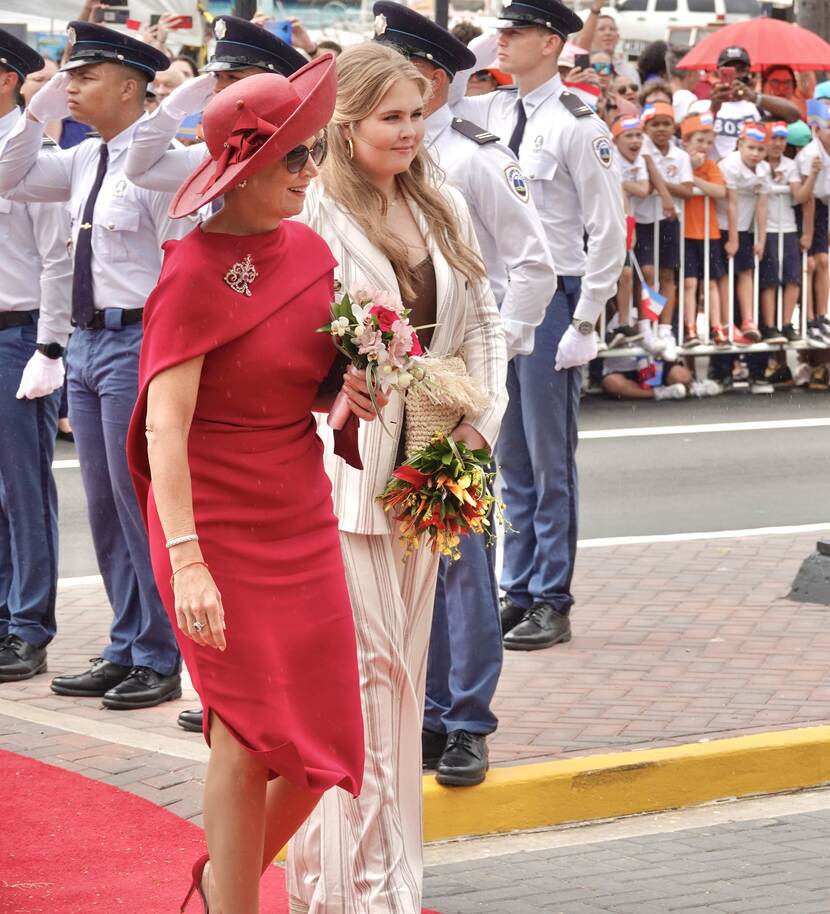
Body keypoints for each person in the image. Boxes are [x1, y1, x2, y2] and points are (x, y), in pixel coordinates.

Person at [126, 59, 367, 914]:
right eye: (295, 159)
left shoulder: (309, 249)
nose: (310, 172)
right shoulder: (190, 272)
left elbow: (308, 380)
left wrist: (348, 390)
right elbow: (166, 428)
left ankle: (218, 879)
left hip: (296, 508)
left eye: (312, 155)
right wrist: (187, 561)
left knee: (330, 743)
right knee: (243, 731)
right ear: (244, 171)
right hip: (213, 522)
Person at [286, 41, 507, 914]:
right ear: (344, 122)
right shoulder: (310, 213)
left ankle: (390, 881)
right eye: (392, 117)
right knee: (366, 683)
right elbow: (289, 337)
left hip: (435, 468)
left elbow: (483, 319)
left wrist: (475, 426)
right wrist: (335, 378)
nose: (411, 131)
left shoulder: (442, 196)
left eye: (419, 113)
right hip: (346, 476)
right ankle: (341, 890)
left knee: (405, 683)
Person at [370, 1, 555, 787]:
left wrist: (486, 369)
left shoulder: (476, 157)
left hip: (458, 381)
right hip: (387, 380)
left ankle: (465, 718)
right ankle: (426, 706)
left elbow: (534, 266)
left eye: (403, 81)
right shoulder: (371, 157)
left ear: (437, 82)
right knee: (401, 551)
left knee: (462, 554)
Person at [122, 14, 308, 734]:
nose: (221, 100)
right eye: (221, 83)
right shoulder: (214, 170)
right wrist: (202, 89)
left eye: (238, 83)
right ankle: (211, 676)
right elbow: (143, 157)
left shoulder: (300, 173)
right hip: (211, 360)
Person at [0, 22, 195, 709]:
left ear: (129, 87)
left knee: (139, 502)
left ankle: (160, 654)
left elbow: (180, 272)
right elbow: (9, 174)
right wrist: (35, 113)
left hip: (137, 339)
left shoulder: (161, 164)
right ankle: (125, 644)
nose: (70, 87)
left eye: (84, 77)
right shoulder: (87, 159)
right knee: (107, 509)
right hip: (87, 343)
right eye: (69, 77)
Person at [451, 0, 626, 651]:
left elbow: (608, 229)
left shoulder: (580, 123)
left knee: (550, 460)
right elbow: (446, 94)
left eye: (515, 32)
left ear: (551, 42)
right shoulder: (494, 109)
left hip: (556, 301)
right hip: (501, 299)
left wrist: (587, 318)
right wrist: (474, 52)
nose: (502, 40)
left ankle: (552, 595)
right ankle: (518, 589)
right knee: (511, 458)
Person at [0, 30, 73, 683]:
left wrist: (50, 346)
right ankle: (3, 615)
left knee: (23, 490)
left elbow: (57, 260)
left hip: (17, 334)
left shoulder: (36, 159)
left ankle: (28, 627)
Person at [124, 15, 308, 194]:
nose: (218, 87)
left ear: (272, 86)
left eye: (233, 77)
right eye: (217, 77)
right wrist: (172, 110)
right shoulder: (217, 154)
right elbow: (140, 172)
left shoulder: (307, 153)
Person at [639, 102, 694, 361]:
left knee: (667, 275)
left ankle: (665, 327)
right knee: (647, 273)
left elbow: (687, 190)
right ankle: (646, 325)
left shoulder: (681, 156)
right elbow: (644, 182)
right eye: (655, 124)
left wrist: (661, 186)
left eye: (666, 123)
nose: (661, 129)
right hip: (643, 220)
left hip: (669, 219)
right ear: (646, 127)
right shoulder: (640, 149)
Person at [717, 122, 771, 344]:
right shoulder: (729, 165)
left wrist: (761, 239)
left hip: (745, 228)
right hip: (722, 227)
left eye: (760, 149)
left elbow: (762, 205)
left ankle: (748, 320)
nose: (755, 154)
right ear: (739, 144)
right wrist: (733, 238)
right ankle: (727, 323)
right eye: (751, 148)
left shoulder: (764, 169)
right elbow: (731, 203)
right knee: (724, 276)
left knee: (746, 272)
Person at [678, 113, 728, 348]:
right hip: (685, 232)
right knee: (689, 283)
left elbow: (720, 192)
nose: (705, 147)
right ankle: (690, 328)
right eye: (700, 141)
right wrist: (688, 170)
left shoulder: (711, 166)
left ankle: (717, 327)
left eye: (709, 142)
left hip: (709, 233)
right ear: (685, 141)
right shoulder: (679, 161)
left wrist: (695, 181)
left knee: (711, 283)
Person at [706, 46, 799, 161]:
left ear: (749, 72)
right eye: (729, 70)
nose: (735, 75)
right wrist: (713, 109)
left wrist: (754, 97)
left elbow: (794, 115)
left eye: (740, 69)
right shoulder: (702, 106)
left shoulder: (759, 105)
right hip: (714, 174)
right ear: (718, 73)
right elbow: (692, 139)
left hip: (753, 173)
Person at [760, 121, 807, 345]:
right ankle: (769, 326)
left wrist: (813, 175)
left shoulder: (790, 165)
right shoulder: (757, 163)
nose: (778, 143)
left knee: (792, 278)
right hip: (765, 228)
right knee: (769, 280)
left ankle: (787, 323)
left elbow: (798, 196)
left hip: (787, 227)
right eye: (773, 138)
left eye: (781, 138)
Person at [610, 114, 648, 348]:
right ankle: (592, 328)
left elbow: (641, 190)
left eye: (638, 135)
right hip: (597, 223)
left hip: (621, 222)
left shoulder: (640, 160)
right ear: (615, 140)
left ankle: (624, 323)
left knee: (625, 275)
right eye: (629, 136)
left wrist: (628, 228)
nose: (635, 140)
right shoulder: (611, 158)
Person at [796, 109, 830, 347]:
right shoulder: (811, 154)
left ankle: (821, 315)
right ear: (816, 129)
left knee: (823, 262)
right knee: (808, 263)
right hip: (804, 209)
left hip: (822, 208)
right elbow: (807, 199)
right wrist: (807, 233)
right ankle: (808, 319)